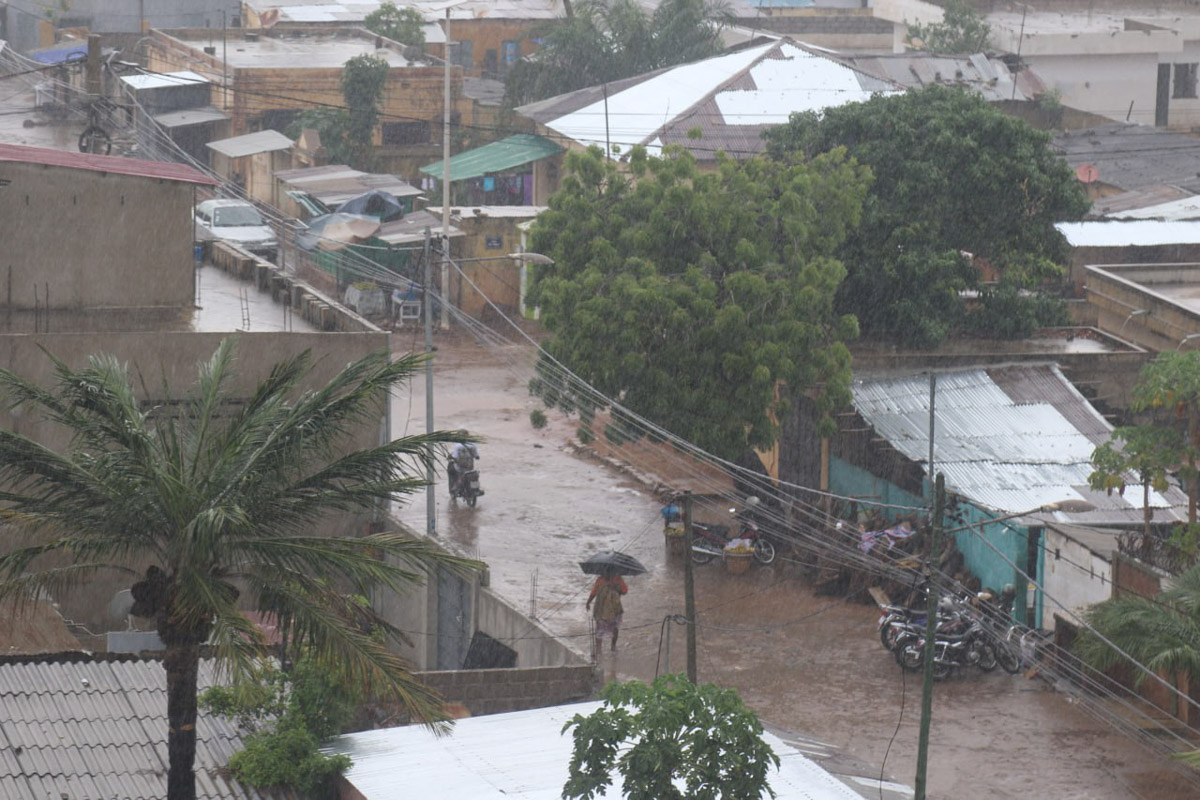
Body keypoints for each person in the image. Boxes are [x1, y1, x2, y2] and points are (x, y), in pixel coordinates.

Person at [586, 566, 628, 653]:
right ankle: (610, 647)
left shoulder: (602, 579)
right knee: (612, 627)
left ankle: (601, 649)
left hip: (605, 609)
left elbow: (594, 592)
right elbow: (624, 591)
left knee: (602, 628)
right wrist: (617, 587)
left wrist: (588, 602)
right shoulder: (617, 579)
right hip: (612, 609)